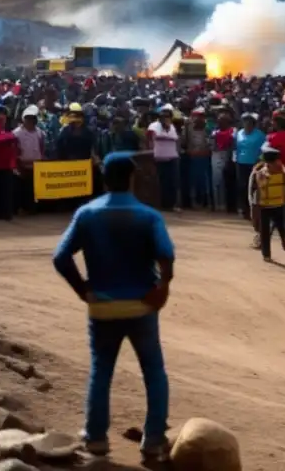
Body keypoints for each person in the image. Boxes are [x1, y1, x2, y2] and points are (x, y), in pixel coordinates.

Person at [51, 151, 174, 463]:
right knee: (154, 372)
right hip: (141, 305)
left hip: (103, 306)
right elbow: (166, 255)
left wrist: (83, 290)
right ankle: (153, 440)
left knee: (101, 370)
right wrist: (163, 287)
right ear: (132, 178)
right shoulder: (148, 215)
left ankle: (95, 438)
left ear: (104, 179)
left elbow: (61, 258)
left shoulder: (87, 213)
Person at [248, 143, 285, 262]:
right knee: (275, 228)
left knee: (272, 228)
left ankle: (271, 252)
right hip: (273, 205)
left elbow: (256, 189)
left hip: (269, 205)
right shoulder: (280, 172)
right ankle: (276, 250)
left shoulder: (260, 173)